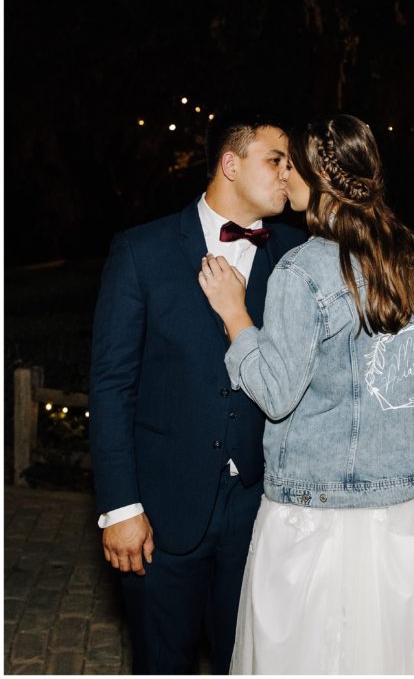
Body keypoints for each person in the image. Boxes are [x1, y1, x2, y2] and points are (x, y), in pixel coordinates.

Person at [199, 114, 414, 675]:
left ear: (316, 180)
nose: (282, 175)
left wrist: (236, 316)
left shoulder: (302, 270)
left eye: (289, 165)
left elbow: (277, 394)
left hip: (319, 522)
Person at [89, 109, 303, 674]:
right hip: (162, 510)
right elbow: (112, 386)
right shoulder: (142, 251)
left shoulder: (297, 258)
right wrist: (119, 507)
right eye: (276, 160)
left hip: (263, 511)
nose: (288, 174)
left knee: (253, 663)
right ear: (230, 165)